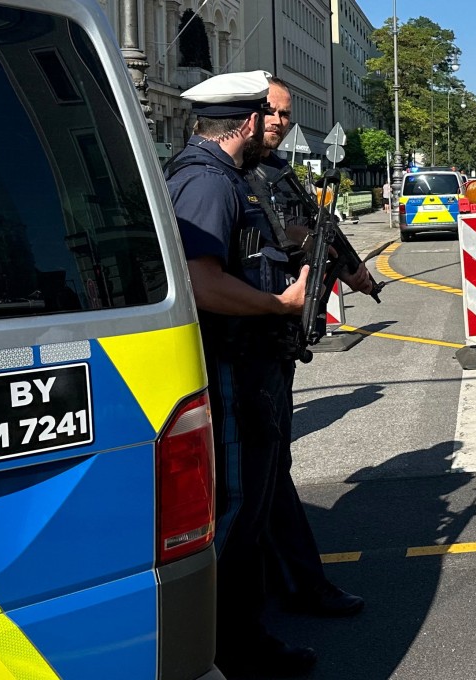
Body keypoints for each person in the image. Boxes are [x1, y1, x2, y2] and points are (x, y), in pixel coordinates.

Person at [164, 70, 316, 677]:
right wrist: (280, 305)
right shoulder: (207, 181)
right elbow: (201, 282)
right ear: (249, 121)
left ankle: (241, 633)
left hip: (252, 363)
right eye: (268, 116)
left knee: (252, 500)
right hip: (233, 366)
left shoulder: (225, 178)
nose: (275, 126)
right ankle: (228, 647)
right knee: (234, 508)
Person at [250, 76, 367, 619]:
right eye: (270, 113)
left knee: (271, 464)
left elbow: (322, 229)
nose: (278, 122)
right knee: (265, 467)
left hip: (276, 341)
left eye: (285, 115)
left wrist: (356, 273)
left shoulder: (277, 172)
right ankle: (296, 584)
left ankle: (273, 577)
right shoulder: (224, 178)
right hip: (248, 339)